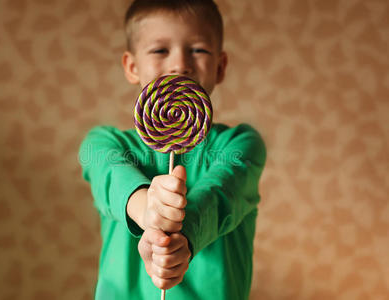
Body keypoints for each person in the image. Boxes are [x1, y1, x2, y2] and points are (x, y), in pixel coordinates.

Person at [78, 0, 266, 299]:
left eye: (199, 50)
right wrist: (147, 210)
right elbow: (110, 176)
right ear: (131, 66)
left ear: (220, 66)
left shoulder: (241, 145)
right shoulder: (104, 144)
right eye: (160, 50)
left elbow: (220, 195)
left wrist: (185, 237)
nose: (180, 64)